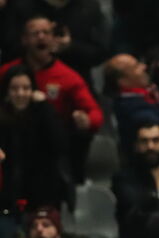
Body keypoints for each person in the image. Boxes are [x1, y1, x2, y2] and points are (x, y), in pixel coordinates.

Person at [0, 16, 103, 183]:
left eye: (46, 33)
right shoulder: (7, 72)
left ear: (54, 39)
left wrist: (88, 121)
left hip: (49, 150)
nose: (41, 37)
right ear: (24, 40)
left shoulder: (69, 77)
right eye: (35, 33)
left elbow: (95, 113)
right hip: (8, 146)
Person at [0, 64, 70, 238]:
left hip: (42, 201)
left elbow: (60, 144)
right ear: (6, 91)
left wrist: (45, 106)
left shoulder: (43, 114)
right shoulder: (2, 119)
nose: (20, 94)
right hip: (8, 202)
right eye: (14, 89)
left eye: (26, 88)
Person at [104, 53, 159, 154]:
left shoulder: (146, 95)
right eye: (136, 67)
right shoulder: (132, 110)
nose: (144, 67)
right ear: (123, 81)